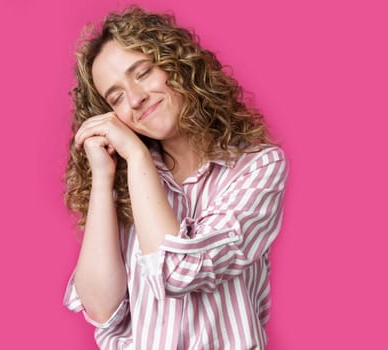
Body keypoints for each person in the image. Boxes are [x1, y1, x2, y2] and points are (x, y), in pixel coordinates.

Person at [63, 6, 288, 350]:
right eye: (117, 97)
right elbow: (100, 307)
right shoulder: (124, 184)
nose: (136, 99)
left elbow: (180, 270)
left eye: (142, 73)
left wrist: (137, 156)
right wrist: (104, 178)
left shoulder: (258, 167)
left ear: (177, 66)